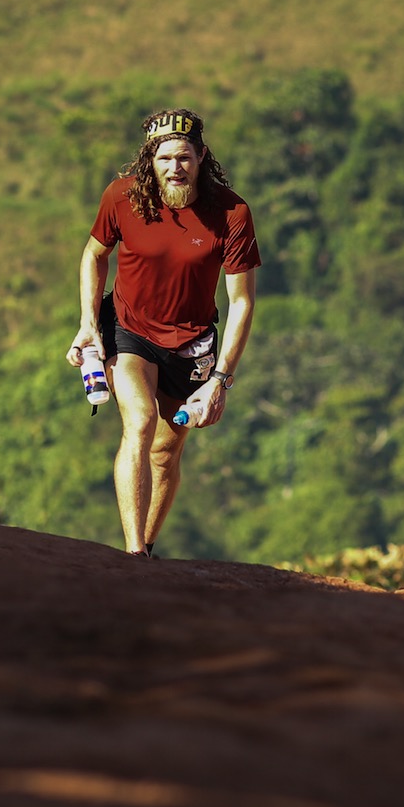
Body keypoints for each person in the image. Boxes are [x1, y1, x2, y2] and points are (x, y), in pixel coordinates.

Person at [67, 110, 260, 558]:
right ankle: (133, 553)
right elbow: (94, 255)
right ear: (149, 160)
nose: (175, 168)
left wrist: (220, 380)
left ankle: (147, 550)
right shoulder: (122, 197)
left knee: (165, 452)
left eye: (184, 157)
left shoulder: (231, 213)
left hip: (192, 345)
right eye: (165, 158)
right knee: (140, 422)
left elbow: (242, 302)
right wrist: (88, 324)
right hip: (128, 329)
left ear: (201, 156)